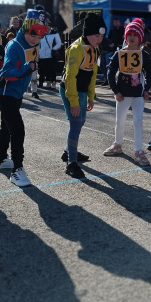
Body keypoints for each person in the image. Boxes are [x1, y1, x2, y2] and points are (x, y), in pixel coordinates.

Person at [0, 9, 48, 186]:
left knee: (6, 126)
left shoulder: (34, 45)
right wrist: (26, 68)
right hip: (4, 92)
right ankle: (17, 170)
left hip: (17, 93)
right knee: (17, 129)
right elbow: (8, 72)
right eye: (33, 34)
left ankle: (0, 160)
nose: (36, 39)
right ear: (25, 28)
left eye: (40, 36)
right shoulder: (14, 45)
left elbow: (30, 66)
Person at [60, 12, 106, 178]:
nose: (99, 39)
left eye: (101, 36)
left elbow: (93, 73)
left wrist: (91, 96)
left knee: (80, 122)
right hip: (70, 90)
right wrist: (73, 101)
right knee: (75, 124)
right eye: (96, 36)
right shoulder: (76, 49)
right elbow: (71, 77)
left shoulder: (94, 48)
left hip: (82, 91)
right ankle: (71, 162)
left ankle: (69, 151)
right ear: (87, 33)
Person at [103, 18, 151, 166]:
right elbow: (110, 72)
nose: (132, 37)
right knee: (120, 121)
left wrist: (146, 89)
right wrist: (115, 90)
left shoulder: (144, 54)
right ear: (125, 36)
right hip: (122, 94)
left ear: (140, 37)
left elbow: (149, 72)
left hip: (138, 93)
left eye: (135, 34)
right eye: (129, 34)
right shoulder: (119, 53)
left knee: (138, 121)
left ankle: (138, 150)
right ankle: (117, 144)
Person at [39, 17, 62, 90]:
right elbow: (38, 43)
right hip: (42, 54)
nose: (47, 27)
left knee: (52, 69)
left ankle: (53, 82)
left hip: (51, 54)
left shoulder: (54, 33)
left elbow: (59, 43)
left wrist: (53, 49)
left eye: (48, 26)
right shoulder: (41, 34)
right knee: (44, 69)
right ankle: (47, 81)